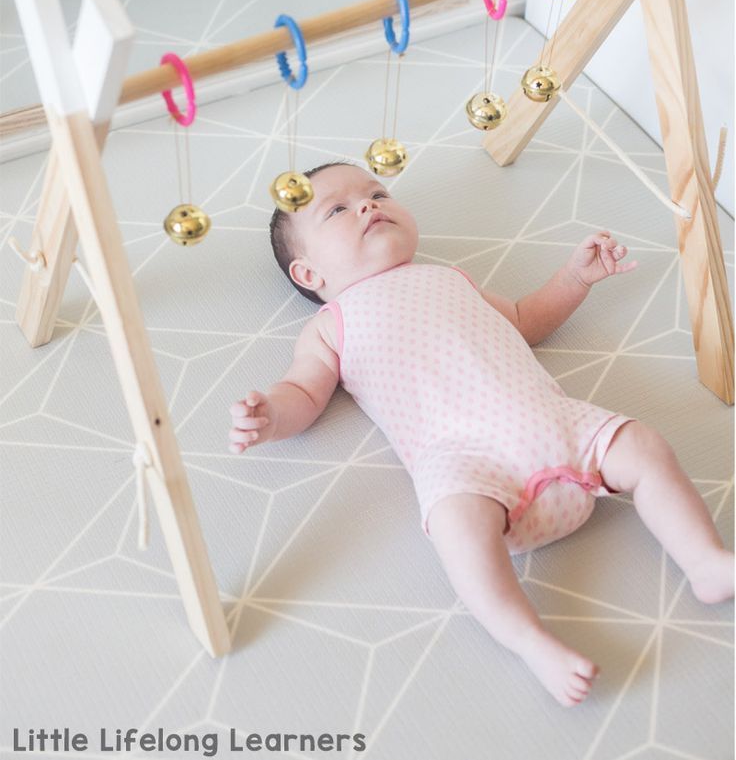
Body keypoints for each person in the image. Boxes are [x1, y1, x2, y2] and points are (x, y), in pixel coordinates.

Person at [229, 160, 734, 707]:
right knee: (456, 530)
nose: (370, 205)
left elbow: (523, 318)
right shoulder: (332, 325)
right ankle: (531, 641)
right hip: (463, 461)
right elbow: (303, 393)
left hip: (553, 419)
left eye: (377, 192)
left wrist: (574, 280)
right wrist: (269, 415)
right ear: (308, 275)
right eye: (339, 209)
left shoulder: (449, 277)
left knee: (643, 445)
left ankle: (704, 560)